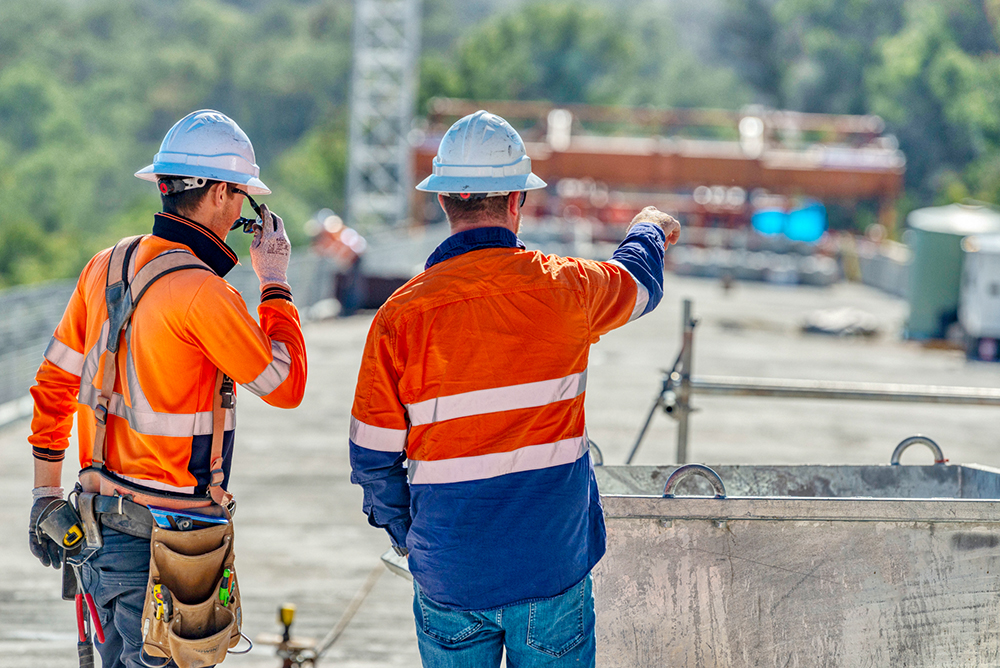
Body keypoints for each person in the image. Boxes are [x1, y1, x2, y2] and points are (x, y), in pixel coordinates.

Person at [348, 110, 680, 667]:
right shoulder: (566, 288)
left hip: (450, 572)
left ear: (444, 200)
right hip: (550, 565)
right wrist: (649, 228)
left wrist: (417, 539)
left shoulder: (400, 317)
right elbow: (641, 283)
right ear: (516, 201)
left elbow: (373, 460)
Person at [27, 109, 308, 668]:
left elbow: (54, 383)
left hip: (97, 528)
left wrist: (43, 495)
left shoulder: (104, 267)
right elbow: (285, 384)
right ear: (223, 194)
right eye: (243, 199)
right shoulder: (202, 293)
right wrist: (275, 284)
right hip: (170, 543)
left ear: (163, 186)